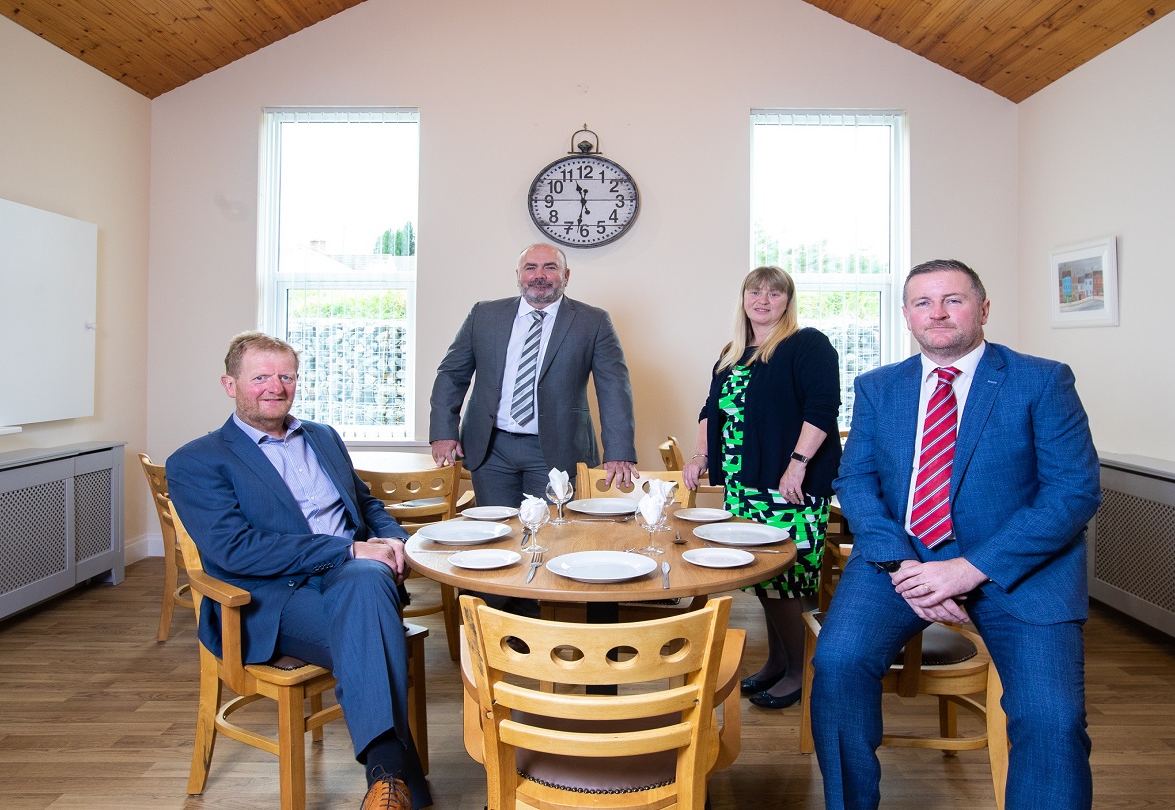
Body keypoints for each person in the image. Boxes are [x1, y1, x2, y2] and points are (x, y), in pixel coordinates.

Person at [810, 259, 1101, 809]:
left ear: (983, 309)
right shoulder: (879, 387)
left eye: (953, 300)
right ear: (906, 316)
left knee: (1051, 717)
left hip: (1019, 570)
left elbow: (1072, 494)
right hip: (903, 563)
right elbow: (855, 478)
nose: (937, 313)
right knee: (837, 665)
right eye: (923, 303)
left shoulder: (1041, 380)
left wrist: (967, 570)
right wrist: (900, 565)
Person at [167, 332, 429, 810]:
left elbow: (367, 504)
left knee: (367, 586)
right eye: (261, 376)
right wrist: (347, 550)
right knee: (371, 620)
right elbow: (236, 550)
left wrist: (393, 539)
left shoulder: (323, 436)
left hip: (350, 580)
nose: (276, 386)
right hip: (270, 599)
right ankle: (394, 777)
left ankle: (387, 785)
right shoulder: (197, 460)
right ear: (230, 384)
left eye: (286, 375)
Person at [683, 266, 842, 710]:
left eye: (775, 293)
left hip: (786, 485)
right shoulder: (733, 352)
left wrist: (797, 465)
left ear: (787, 301)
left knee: (788, 582)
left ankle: (800, 673)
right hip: (744, 483)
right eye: (756, 291)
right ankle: (777, 663)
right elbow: (709, 410)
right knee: (766, 582)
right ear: (744, 298)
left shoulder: (806, 344)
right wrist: (700, 457)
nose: (764, 299)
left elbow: (822, 408)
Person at [428, 243, 637, 505]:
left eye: (550, 267)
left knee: (553, 535)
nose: (540, 275)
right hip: (491, 448)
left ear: (566, 276)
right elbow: (451, 375)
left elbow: (614, 389)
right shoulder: (484, 315)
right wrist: (442, 432)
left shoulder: (592, 322)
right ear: (518, 274)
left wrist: (618, 451)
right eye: (531, 268)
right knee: (497, 533)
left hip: (558, 448)